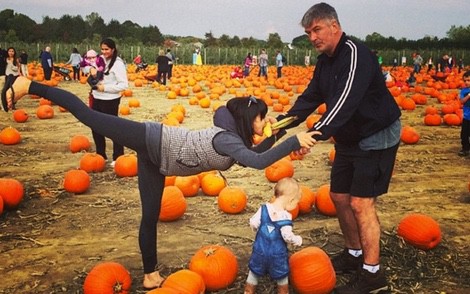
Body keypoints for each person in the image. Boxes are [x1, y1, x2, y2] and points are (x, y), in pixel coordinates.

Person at [3, 76, 320, 289]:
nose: (264, 123)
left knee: (150, 214)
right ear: (246, 120)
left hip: (157, 159)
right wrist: (294, 142)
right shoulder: (227, 141)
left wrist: (285, 133)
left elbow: (256, 152)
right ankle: (28, 84)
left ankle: (151, 275)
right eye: (261, 118)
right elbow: (258, 161)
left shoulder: (234, 141)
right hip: (150, 137)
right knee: (87, 116)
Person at [276, 3, 401, 293]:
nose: (312, 37)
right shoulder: (325, 61)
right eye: (308, 33)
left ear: (334, 26)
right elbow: (311, 96)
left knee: (361, 202)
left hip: (375, 134)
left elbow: (344, 103)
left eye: (317, 29)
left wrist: (311, 136)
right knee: (339, 196)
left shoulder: (355, 55)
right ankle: (353, 253)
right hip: (348, 135)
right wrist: (282, 124)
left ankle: (372, 275)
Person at [244, 177, 302, 294]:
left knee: (254, 273)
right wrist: (297, 240)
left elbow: (253, 223)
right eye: (296, 202)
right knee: (282, 277)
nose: (296, 205)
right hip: (277, 255)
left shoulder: (263, 208)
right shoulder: (285, 217)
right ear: (290, 200)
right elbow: (287, 236)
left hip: (260, 250)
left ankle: (248, 291)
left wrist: (259, 231)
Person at [88, 39, 127, 166]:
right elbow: (88, 68)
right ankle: (101, 155)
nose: (104, 52)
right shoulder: (99, 59)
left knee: (113, 128)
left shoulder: (118, 64)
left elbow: (123, 85)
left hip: (110, 100)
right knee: (96, 127)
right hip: (96, 97)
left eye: (107, 49)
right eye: (102, 49)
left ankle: (118, 156)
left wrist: (105, 88)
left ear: (113, 49)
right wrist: (91, 73)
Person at [458, 71, 470, 157]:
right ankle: (465, 149)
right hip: (467, 117)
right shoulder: (463, 91)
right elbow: (462, 101)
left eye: (469, 80)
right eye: (465, 80)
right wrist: (469, 95)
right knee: (464, 134)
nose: (466, 82)